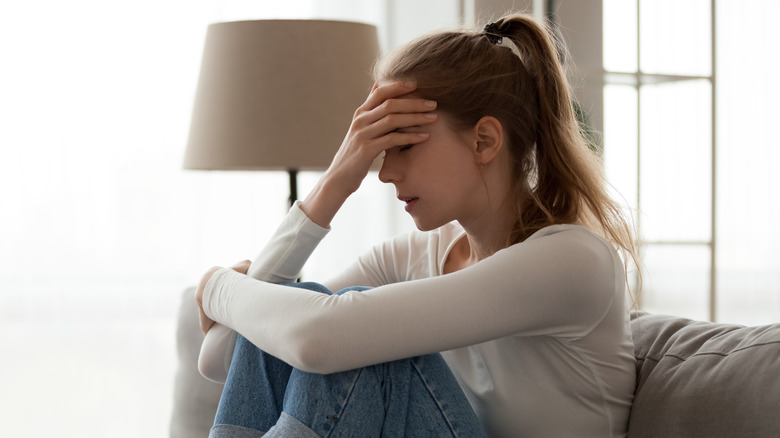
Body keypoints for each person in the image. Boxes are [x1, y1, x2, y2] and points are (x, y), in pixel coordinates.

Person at [195, 13, 639, 438]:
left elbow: (318, 339)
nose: (383, 173)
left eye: (402, 146)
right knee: (312, 313)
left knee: (357, 339)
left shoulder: (572, 260)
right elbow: (220, 359)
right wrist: (332, 185)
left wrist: (220, 286)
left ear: (483, 140)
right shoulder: (408, 258)